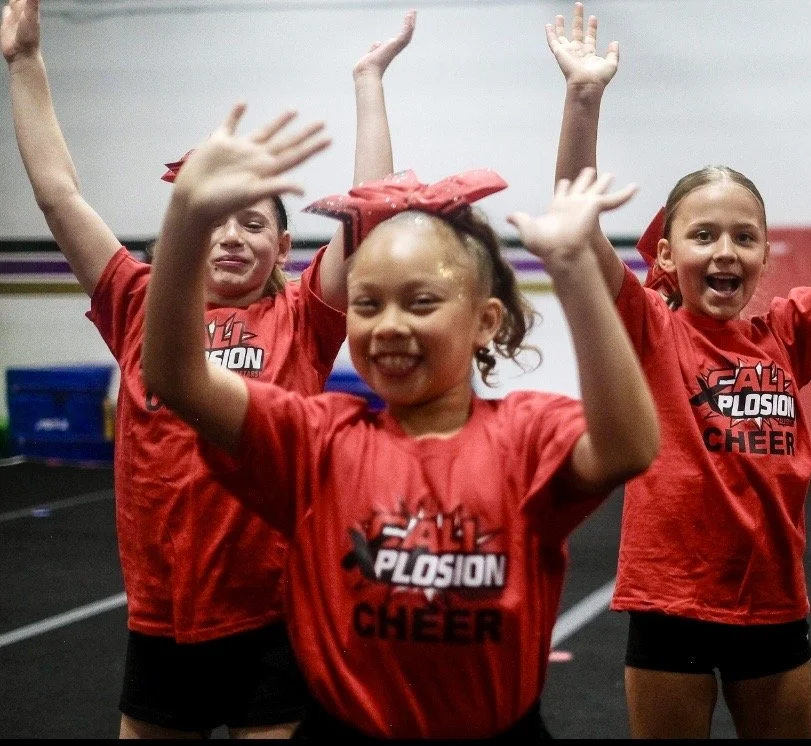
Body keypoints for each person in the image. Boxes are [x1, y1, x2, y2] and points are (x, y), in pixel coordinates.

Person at [139, 102, 660, 739]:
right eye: (367, 304)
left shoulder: (525, 435)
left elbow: (630, 445)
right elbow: (173, 374)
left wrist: (577, 270)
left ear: (484, 322)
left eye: (421, 303)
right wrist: (187, 219)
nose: (389, 325)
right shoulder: (316, 439)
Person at [2, 0, 416, 736]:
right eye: (217, 217)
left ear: (284, 249)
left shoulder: (299, 317)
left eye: (253, 222)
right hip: (164, 609)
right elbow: (59, 195)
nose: (231, 236)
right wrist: (27, 62)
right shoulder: (139, 303)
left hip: (277, 610)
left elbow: (372, 218)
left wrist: (368, 82)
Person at [545, 3, 811, 737]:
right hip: (669, 601)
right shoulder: (649, 329)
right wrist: (583, 96)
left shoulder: (787, 333)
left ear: (765, 255)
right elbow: (575, 230)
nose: (726, 251)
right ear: (668, 257)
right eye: (704, 234)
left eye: (745, 237)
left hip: (773, 602)